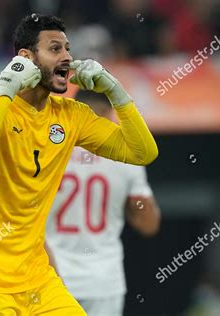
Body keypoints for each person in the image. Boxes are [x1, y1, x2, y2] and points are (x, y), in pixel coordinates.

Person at [0, 14, 158, 315]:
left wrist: (114, 89)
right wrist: (7, 85)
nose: (68, 57)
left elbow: (142, 152)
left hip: (36, 281)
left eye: (68, 49)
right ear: (26, 58)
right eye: (55, 49)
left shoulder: (72, 116)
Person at [45, 90, 161, 316]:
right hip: (103, 280)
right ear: (109, 112)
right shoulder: (126, 156)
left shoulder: (50, 149)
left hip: (51, 275)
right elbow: (148, 225)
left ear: (76, 109)